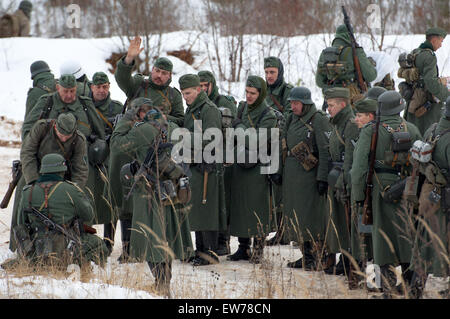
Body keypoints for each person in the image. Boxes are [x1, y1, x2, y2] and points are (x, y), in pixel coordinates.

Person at [110, 98, 193, 296]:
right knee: (164, 239)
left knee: (152, 240)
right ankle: (164, 282)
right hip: (167, 189)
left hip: (149, 192)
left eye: (133, 111)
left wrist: (125, 120)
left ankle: (161, 284)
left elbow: (116, 144)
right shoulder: (164, 125)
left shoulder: (144, 129)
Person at [351, 91, 422, 298]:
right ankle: (412, 286)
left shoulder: (370, 131)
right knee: (407, 234)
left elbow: (358, 169)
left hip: (380, 189)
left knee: (382, 238)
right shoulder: (413, 129)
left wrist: (358, 196)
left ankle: (389, 288)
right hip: (408, 189)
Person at [22, 74, 107, 226]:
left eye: (72, 91)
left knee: (84, 196)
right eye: (65, 91)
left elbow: (100, 134)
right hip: (42, 167)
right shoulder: (46, 103)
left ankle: (81, 238)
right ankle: (24, 237)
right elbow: (27, 135)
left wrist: (74, 192)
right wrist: (33, 180)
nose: (69, 95)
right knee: (27, 192)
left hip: (77, 162)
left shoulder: (85, 105)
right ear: (57, 88)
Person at [2, 153, 108, 270]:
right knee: (98, 244)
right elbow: (88, 215)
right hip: (65, 246)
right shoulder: (71, 189)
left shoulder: (28, 191)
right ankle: (90, 272)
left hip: (35, 249)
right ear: (62, 170)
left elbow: (20, 222)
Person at [9, 113, 88, 253]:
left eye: (67, 136)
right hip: (35, 172)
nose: (64, 138)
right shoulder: (41, 128)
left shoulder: (79, 140)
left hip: (62, 176)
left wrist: (72, 192)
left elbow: (80, 169)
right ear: (55, 126)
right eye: (61, 134)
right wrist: (33, 182)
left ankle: (73, 246)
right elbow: (27, 153)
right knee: (24, 198)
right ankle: (18, 246)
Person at [227, 75, 277, 264]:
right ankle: (243, 247)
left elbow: (258, 141)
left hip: (259, 166)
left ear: (261, 93)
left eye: (253, 93)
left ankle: (258, 249)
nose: (248, 96)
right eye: (247, 92)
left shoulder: (268, 115)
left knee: (258, 207)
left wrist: (239, 128)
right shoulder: (242, 108)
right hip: (240, 164)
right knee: (241, 207)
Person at [282, 87, 331, 270]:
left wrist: (322, 178)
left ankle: (316, 256)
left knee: (311, 217)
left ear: (306, 103)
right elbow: (284, 145)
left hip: (310, 176)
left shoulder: (318, 119)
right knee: (296, 216)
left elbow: (325, 151)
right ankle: (305, 255)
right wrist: (279, 171)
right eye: (291, 103)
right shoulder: (290, 118)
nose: (293, 106)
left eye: (296, 103)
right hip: (292, 175)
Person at [180, 74, 225, 266]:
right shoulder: (192, 109)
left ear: (199, 90)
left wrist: (184, 135)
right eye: (183, 94)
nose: (185, 97)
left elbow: (212, 138)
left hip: (208, 166)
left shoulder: (209, 110)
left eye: (188, 93)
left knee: (207, 209)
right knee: (197, 209)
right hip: (194, 165)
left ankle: (210, 253)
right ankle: (200, 250)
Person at [409, 96, 450, 299]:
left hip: (430, 195)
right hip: (446, 197)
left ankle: (416, 286)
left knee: (425, 239)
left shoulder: (432, 129)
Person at [198, 70, 237, 256]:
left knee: (225, 202)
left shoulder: (224, 102)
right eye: (201, 86)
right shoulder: (198, 104)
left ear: (212, 84)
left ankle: (224, 241)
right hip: (207, 157)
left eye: (206, 85)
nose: (204, 89)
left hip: (224, 157)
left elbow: (234, 128)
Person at [323, 87, 359, 281]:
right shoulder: (336, 123)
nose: (328, 109)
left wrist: (343, 181)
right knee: (336, 219)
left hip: (345, 178)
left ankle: (348, 261)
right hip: (335, 176)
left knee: (347, 222)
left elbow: (349, 158)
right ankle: (342, 259)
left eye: (331, 105)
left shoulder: (350, 124)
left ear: (343, 104)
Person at [88, 71, 123, 255]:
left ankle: (108, 242)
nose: (101, 90)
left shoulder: (117, 108)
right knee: (88, 200)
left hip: (109, 160)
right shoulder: (84, 107)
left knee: (111, 202)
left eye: (104, 87)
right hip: (89, 160)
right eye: (98, 87)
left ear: (109, 87)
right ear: (91, 87)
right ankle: (87, 240)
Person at [115, 36, 184, 126]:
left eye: (164, 73)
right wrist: (129, 58)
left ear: (169, 75)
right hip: (132, 134)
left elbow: (181, 120)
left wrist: (165, 118)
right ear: (152, 70)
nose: (159, 75)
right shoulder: (138, 84)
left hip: (159, 136)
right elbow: (122, 79)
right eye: (157, 71)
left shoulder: (173, 95)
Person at [263, 56, 292, 246]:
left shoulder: (288, 91)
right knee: (270, 189)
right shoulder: (263, 91)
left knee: (281, 189)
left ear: (279, 72)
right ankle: (274, 227)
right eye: (266, 72)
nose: (269, 76)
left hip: (282, 144)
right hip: (267, 142)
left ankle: (284, 231)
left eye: (272, 72)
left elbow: (291, 115)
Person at [316, 24, 377, 110]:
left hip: (332, 102)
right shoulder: (356, 51)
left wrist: (333, 89)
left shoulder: (325, 53)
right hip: (353, 102)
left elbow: (319, 82)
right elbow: (371, 76)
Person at [402, 27, 449, 135]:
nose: (441, 45)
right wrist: (446, 96)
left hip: (413, 99)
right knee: (427, 133)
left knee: (413, 131)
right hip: (424, 103)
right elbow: (431, 82)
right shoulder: (429, 56)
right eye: (441, 41)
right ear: (434, 40)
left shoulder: (416, 52)